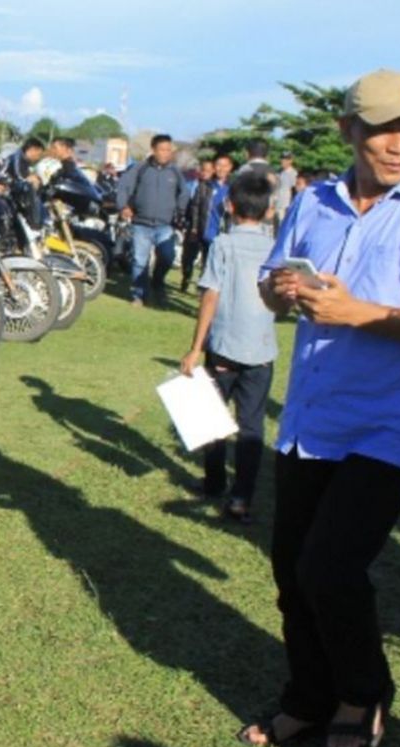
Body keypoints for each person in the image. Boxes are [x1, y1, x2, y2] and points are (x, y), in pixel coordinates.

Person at [239, 68, 400, 747]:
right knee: (291, 574)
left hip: (386, 422)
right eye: (384, 128)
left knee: (331, 567)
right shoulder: (314, 202)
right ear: (350, 130)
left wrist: (359, 314)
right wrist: (282, 291)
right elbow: (269, 289)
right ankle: (309, 698)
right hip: (310, 420)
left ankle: (364, 691)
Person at [178, 173, 277, 522]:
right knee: (252, 427)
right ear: (269, 211)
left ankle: (214, 482)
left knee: (212, 419)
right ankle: (241, 498)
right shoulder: (276, 248)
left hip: (224, 347)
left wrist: (195, 347)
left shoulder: (222, 244)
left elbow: (211, 294)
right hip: (262, 350)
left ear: (229, 206)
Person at [115, 133, 190, 306]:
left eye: (168, 150)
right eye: (162, 150)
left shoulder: (175, 171)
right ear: (153, 150)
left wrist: (180, 210)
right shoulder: (140, 168)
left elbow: (184, 192)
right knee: (140, 261)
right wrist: (123, 206)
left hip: (165, 225)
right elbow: (124, 187)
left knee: (167, 257)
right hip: (141, 224)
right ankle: (139, 295)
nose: (165, 153)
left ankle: (157, 282)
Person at [181, 154, 233, 292]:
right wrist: (193, 227)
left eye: (225, 166)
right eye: (218, 165)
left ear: (230, 168)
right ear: (214, 168)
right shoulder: (205, 186)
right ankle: (186, 278)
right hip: (202, 230)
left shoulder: (233, 188)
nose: (221, 169)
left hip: (220, 233)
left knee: (210, 264)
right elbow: (195, 207)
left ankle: (203, 290)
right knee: (189, 259)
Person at [274, 151, 297, 225]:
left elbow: (294, 191)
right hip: (277, 204)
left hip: (285, 206)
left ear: (291, 161)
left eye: (286, 159)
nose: (283, 161)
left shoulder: (293, 174)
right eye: (282, 158)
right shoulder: (279, 172)